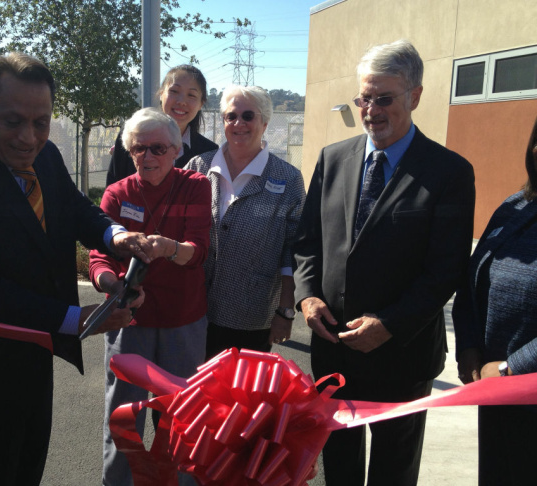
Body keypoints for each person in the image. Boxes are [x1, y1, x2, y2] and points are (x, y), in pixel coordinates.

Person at [0, 52, 154, 485]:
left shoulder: (45, 156)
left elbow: (77, 209)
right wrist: (78, 320)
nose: (29, 137)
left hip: (33, 363)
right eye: (13, 121)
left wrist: (117, 237)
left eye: (41, 122)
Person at [292, 40, 476, 486]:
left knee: (394, 471)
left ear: (414, 95)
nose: (371, 110)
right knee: (339, 468)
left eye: (384, 98)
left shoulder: (449, 172)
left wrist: (389, 324)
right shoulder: (333, 159)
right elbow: (307, 241)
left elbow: (446, 269)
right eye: (364, 98)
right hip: (333, 349)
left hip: (402, 357)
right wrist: (308, 295)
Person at [90, 107, 212, 486]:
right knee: (123, 415)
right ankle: (117, 482)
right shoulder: (117, 193)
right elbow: (99, 256)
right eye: (139, 148)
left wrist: (168, 248)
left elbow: (199, 251)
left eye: (158, 148)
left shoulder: (195, 184)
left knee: (184, 416)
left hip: (182, 320)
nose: (148, 156)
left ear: (176, 150)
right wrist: (111, 284)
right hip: (130, 320)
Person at [186, 85, 306, 359]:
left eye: (248, 116)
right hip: (193, 309)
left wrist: (286, 310)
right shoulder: (198, 167)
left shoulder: (288, 178)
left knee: (238, 397)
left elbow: (293, 247)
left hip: (251, 314)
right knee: (194, 394)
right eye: (231, 116)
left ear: (264, 122)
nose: (239, 123)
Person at [453, 116, 537, 486]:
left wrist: (510, 369)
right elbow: (472, 277)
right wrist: (468, 348)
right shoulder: (517, 204)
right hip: (498, 395)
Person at [105, 65, 218, 186]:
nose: (181, 101)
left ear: (201, 103)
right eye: (174, 91)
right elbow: (112, 190)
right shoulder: (132, 137)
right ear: (161, 93)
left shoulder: (209, 152)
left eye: (191, 95)